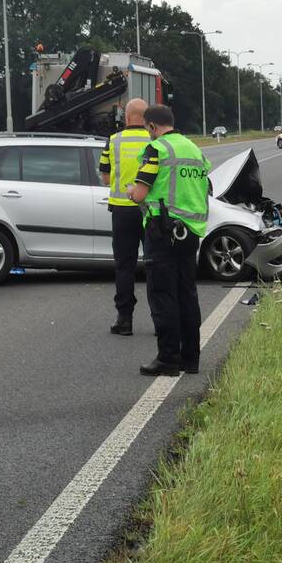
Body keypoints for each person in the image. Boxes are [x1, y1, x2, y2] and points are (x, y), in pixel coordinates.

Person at [127, 105, 211, 376]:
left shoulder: (156, 150)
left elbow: (140, 194)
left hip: (162, 232)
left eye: (146, 129)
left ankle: (168, 359)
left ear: (151, 126)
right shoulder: (194, 150)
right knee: (187, 295)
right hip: (191, 232)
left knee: (163, 296)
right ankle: (191, 359)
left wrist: (130, 190)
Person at [99, 98, 152, 336]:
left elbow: (106, 179)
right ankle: (159, 321)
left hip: (122, 210)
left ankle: (124, 320)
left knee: (124, 266)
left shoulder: (113, 141)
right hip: (150, 211)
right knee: (155, 265)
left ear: (127, 117)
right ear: (147, 117)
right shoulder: (156, 141)